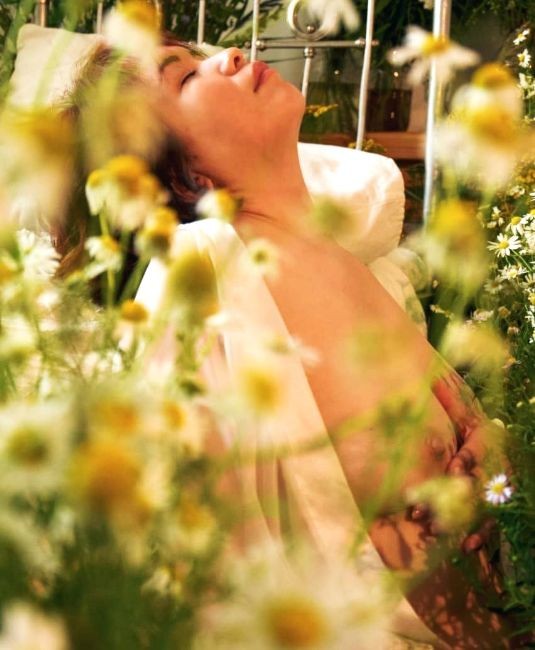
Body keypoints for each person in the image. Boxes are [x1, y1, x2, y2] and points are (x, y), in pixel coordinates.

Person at [55, 36, 509, 647]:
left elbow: (459, 434)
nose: (229, 56)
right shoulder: (207, 272)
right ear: (184, 176)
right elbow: (199, 558)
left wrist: (492, 451)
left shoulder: (344, 260)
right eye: (184, 78)